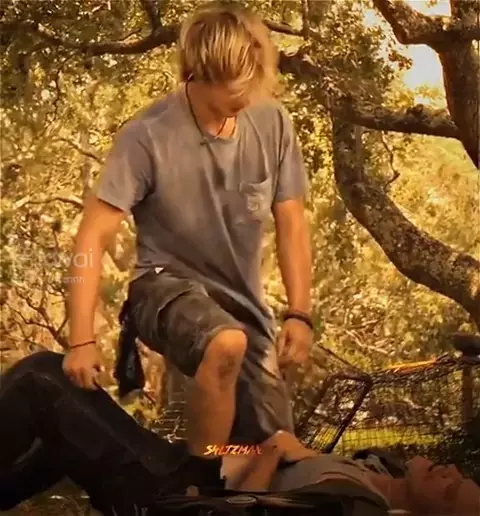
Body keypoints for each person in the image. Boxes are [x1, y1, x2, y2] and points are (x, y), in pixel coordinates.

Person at [62, 0, 313, 491]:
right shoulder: (147, 137)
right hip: (161, 288)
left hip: (243, 306)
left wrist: (300, 313)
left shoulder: (273, 122)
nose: (246, 98)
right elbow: (92, 235)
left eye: (252, 83)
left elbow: (292, 222)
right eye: (234, 88)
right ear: (198, 72)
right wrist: (81, 340)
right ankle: (195, 493)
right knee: (225, 342)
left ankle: (193, 467)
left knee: (273, 453)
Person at [1, 351, 479, 516]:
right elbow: (254, 456)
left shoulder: (354, 506)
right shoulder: (376, 471)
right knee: (62, 444)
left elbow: (243, 509)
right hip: (187, 464)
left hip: (170, 493)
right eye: (460, 476)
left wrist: (270, 454)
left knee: (42, 379)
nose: (449, 472)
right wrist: (234, 448)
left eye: (449, 491)